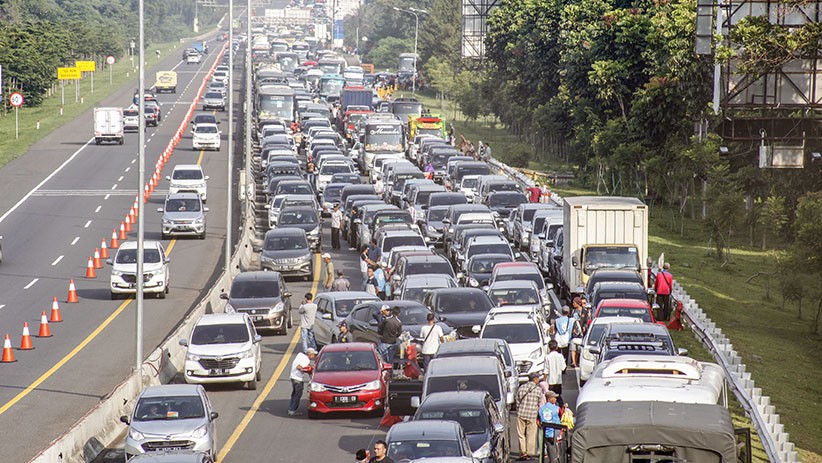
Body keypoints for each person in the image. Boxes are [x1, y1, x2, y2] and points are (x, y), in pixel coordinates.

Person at [515, 372, 543, 460]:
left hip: (521, 413)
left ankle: (523, 452)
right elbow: (540, 403)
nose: (538, 380)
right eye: (538, 378)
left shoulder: (522, 387)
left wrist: (518, 409)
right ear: (534, 379)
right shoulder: (538, 390)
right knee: (531, 434)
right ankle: (530, 453)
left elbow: (517, 400)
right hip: (532, 415)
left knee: (521, 434)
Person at [288, 347, 317, 416]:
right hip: (298, 379)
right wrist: (306, 370)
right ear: (309, 354)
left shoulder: (300, 355)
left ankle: (290, 409)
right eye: (313, 355)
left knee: (294, 394)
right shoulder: (306, 359)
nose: (314, 356)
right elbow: (299, 366)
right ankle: (292, 410)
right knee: (298, 394)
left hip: (292, 377)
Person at [538, 390, 562, 463]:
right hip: (556, 432)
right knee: (557, 450)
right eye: (554, 398)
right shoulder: (557, 408)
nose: (555, 399)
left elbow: (538, 421)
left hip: (546, 433)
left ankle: (552, 461)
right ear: (549, 399)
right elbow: (562, 417)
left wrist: (542, 428)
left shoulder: (541, 409)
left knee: (549, 449)